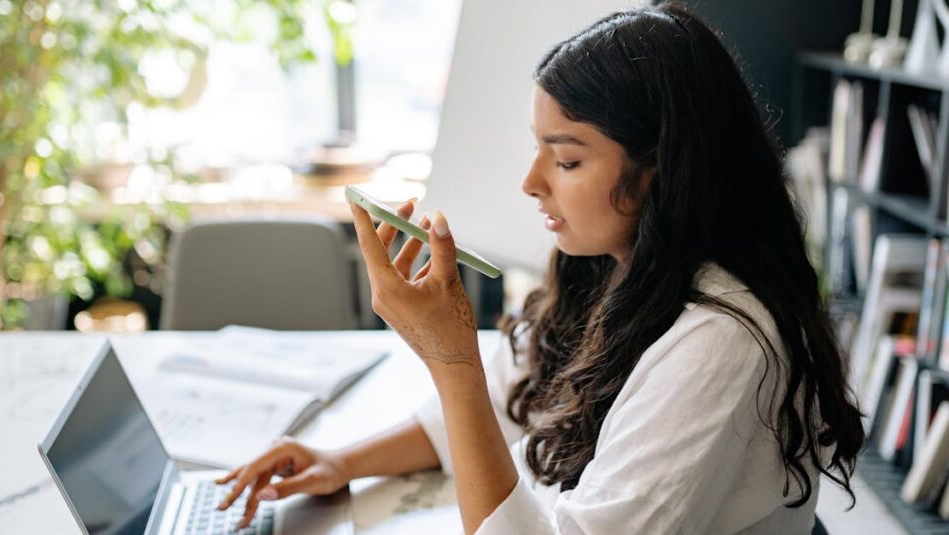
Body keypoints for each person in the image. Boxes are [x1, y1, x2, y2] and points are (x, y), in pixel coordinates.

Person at [216, 3, 865, 533]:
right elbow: (505, 399)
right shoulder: (613, 267)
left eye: (567, 160)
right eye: (538, 149)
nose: (530, 182)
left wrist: (449, 358)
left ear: (661, 167)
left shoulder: (721, 339)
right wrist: (342, 460)